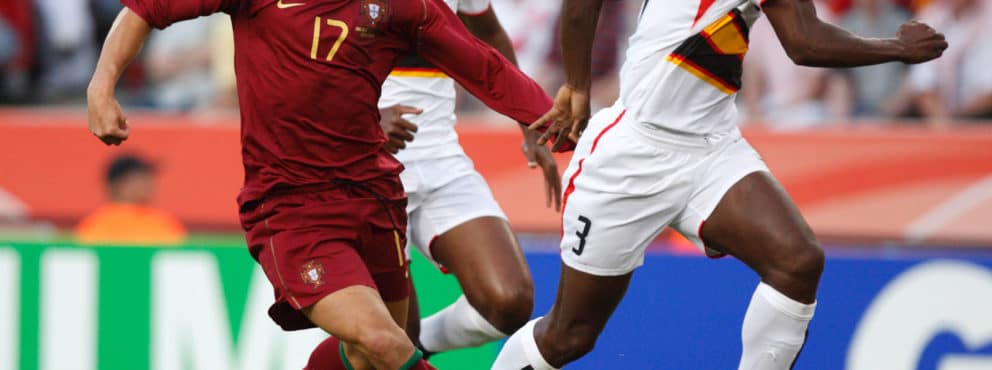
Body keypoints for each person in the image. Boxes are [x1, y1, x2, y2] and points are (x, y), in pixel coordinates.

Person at [86, 0, 559, 368]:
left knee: (375, 353)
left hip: (379, 192)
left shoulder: (406, 7)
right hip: (294, 206)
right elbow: (146, 9)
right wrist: (101, 86)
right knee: (383, 342)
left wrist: (546, 119)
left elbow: (483, 58)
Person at [492, 0, 947, 368]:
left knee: (797, 261)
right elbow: (806, 44)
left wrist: (578, 84)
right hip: (632, 154)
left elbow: (802, 36)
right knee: (568, 338)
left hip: (712, 147)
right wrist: (897, 47)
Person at [376, 0, 560, 358]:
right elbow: (299, 61)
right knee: (391, 345)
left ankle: (422, 342)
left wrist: (529, 122)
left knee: (510, 301)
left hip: (441, 158)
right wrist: (365, 115)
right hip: (366, 166)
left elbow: (488, 32)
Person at [75, 154, 187, 245]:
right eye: (137, 179)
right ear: (116, 185)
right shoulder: (96, 224)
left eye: (147, 178)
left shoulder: (163, 222)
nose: (147, 184)